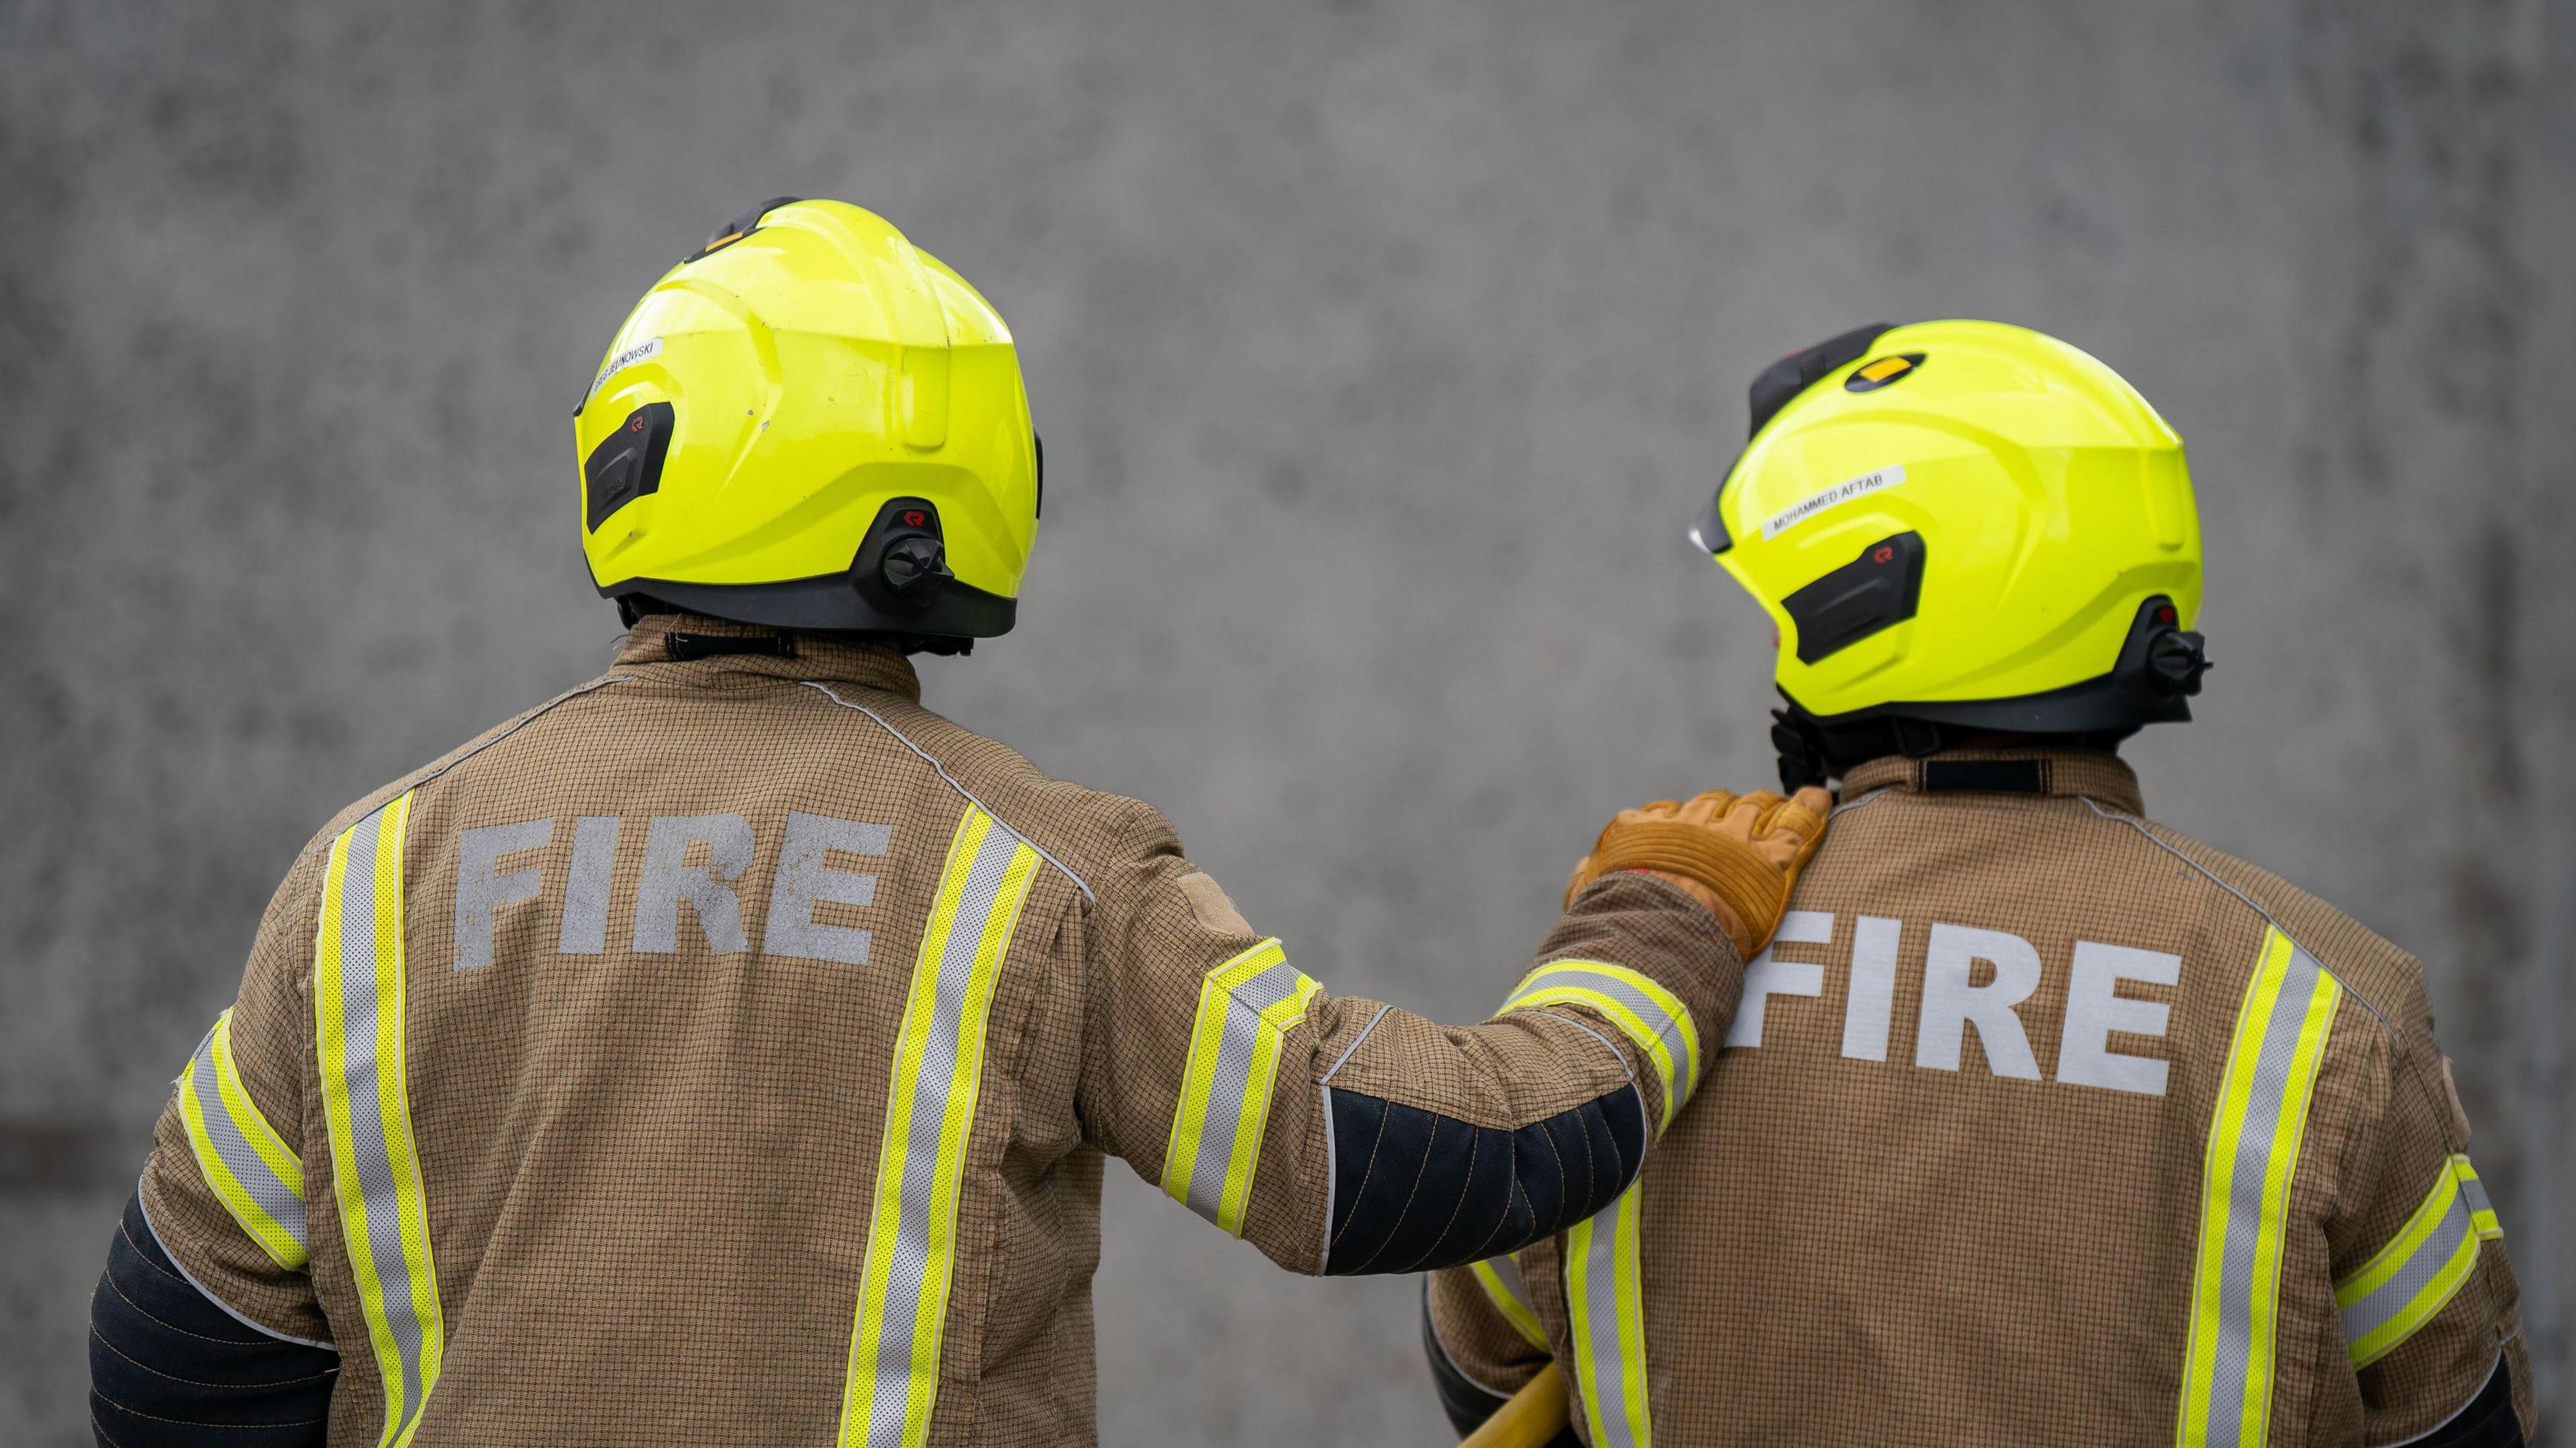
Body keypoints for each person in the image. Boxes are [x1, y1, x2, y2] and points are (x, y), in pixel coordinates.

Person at [83, 198, 1832, 1448]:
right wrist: (1661, 918)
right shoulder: (1035, 874)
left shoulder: (375, 873)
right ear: (963, 494)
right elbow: (1402, 1159)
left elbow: (184, 1355)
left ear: (633, 462)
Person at [1424, 320, 2536, 1447]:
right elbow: (2459, 1424)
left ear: (1867, 596)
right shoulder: (2324, 1006)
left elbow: (1489, 1371)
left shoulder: (1660, 958)